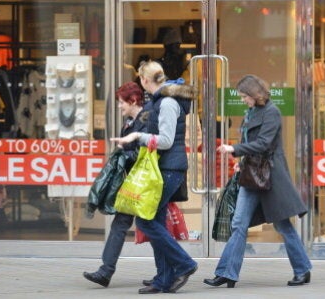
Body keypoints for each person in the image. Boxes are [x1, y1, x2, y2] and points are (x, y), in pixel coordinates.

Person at [203, 74, 312, 288]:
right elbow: (251, 142)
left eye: (245, 96)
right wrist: (241, 161)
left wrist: (234, 149)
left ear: (255, 94)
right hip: (252, 175)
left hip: (271, 177)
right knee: (238, 224)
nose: (243, 100)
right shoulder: (252, 111)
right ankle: (227, 273)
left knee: (283, 225)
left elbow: (263, 143)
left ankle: (302, 269)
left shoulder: (272, 112)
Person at [111, 61, 198, 294]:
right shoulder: (162, 100)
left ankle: (184, 264)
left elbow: (166, 140)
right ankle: (164, 278)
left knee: (145, 221)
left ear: (144, 80)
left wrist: (136, 136)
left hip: (169, 168)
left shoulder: (168, 102)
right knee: (155, 220)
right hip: (165, 167)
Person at [83, 81, 149, 287]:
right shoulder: (130, 122)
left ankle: (177, 267)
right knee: (122, 224)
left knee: (154, 228)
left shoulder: (146, 121)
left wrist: (125, 152)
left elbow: (145, 151)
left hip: (144, 182)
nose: (119, 106)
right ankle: (106, 270)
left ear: (133, 101)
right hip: (132, 182)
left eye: (122, 102)